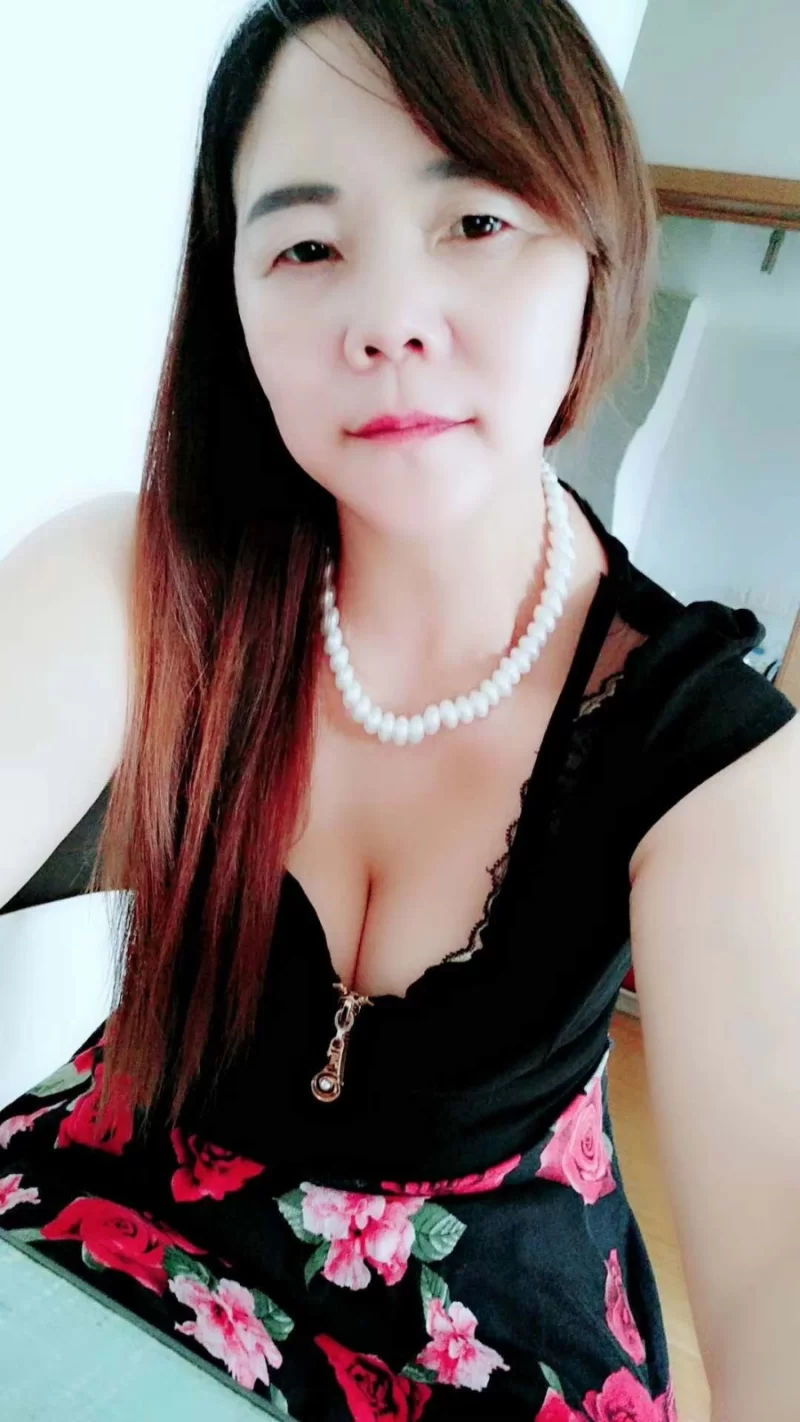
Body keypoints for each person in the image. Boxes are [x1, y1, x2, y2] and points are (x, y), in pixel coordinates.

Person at [1, 3, 798, 1418]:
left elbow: (777, 1274)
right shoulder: (136, 583)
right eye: (307, 247)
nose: (388, 323)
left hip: (488, 1327)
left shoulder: (703, 750)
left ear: (595, 252)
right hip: (111, 1224)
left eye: (476, 223)